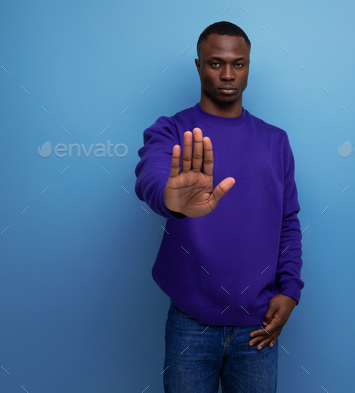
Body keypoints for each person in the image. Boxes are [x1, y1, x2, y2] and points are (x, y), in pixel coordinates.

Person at [134, 21, 304, 393]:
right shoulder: (172, 131)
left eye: (238, 64)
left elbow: (288, 220)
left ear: (247, 67)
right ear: (198, 66)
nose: (227, 74)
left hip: (258, 325)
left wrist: (290, 290)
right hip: (190, 326)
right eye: (215, 63)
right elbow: (151, 171)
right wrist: (168, 196)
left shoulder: (276, 141)